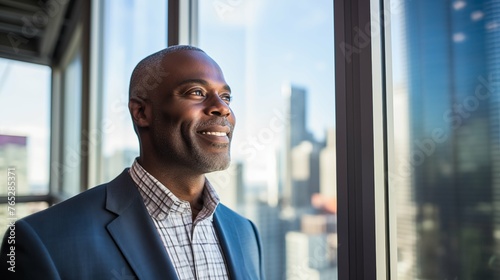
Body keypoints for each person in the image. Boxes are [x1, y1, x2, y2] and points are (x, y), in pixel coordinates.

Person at [0, 45, 264, 280]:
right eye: (196, 92)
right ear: (141, 112)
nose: (223, 108)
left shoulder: (245, 233)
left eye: (226, 97)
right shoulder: (44, 241)